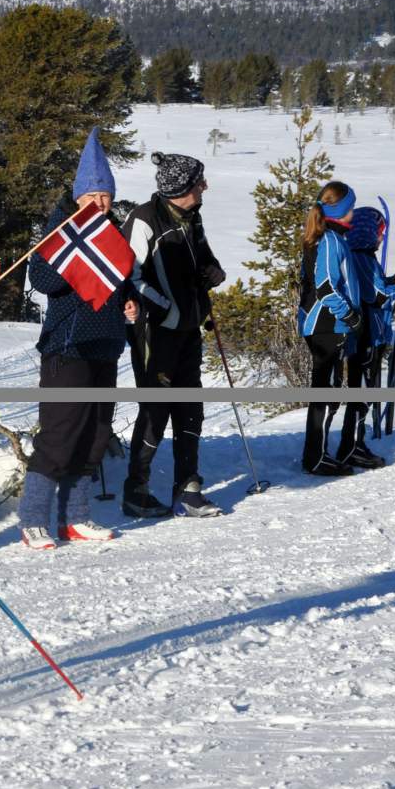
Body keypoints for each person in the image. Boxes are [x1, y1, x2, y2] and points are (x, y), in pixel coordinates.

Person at [17, 127, 138, 549]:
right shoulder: (62, 229)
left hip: (105, 344)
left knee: (96, 434)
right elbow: (42, 278)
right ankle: (33, 517)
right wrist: (75, 247)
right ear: (79, 195)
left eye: (105, 196)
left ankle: (77, 516)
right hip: (67, 346)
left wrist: (130, 303)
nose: (101, 203)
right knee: (60, 433)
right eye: (93, 196)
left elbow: (123, 280)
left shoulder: (113, 232)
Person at [122, 152, 226, 519]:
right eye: (199, 182)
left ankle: (188, 489)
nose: (205, 186)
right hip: (155, 332)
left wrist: (212, 271)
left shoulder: (192, 217)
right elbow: (129, 276)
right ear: (181, 188)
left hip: (188, 330)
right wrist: (165, 306)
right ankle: (136, 491)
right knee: (154, 411)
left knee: (190, 409)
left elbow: (202, 258)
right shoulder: (144, 220)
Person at [298, 180, 367, 476]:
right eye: (351, 207)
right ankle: (315, 457)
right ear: (340, 210)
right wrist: (349, 315)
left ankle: (318, 453)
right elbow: (326, 287)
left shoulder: (332, 238)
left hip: (329, 324)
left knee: (327, 391)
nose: (353, 212)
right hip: (327, 325)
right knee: (325, 392)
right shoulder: (328, 241)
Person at [343, 205, 391, 470]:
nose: (381, 238)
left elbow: (380, 288)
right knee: (362, 389)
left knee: (364, 388)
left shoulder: (362, 255)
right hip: (366, 333)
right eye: (379, 232)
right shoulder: (360, 256)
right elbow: (376, 295)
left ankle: (355, 443)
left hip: (368, 331)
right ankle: (354, 445)